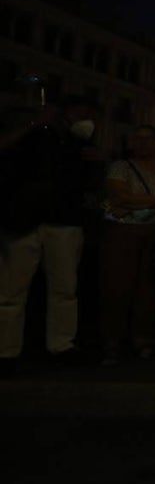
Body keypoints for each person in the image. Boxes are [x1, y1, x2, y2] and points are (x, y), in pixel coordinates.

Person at [0, 95, 104, 370]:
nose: (85, 119)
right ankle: (7, 350)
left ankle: (60, 345)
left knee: (63, 288)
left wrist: (96, 162)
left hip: (63, 220)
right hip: (25, 219)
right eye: (81, 112)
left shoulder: (79, 142)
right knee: (12, 290)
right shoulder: (33, 135)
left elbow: (89, 182)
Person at [99, 124, 155, 365]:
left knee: (148, 288)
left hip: (154, 233)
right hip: (123, 232)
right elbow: (118, 196)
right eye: (136, 138)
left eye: (147, 139)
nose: (141, 144)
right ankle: (113, 342)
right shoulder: (120, 167)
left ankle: (141, 340)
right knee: (118, 286)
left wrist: (135, 202)